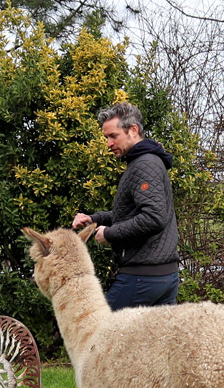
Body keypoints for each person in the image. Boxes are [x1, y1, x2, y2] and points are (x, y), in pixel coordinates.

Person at [72, 102, 180, 309]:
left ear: (133, 130)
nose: (109, 143)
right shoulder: (144, 162)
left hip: (142, 278)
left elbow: (153, 217)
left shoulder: (145, 164)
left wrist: (110, 234)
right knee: (151, 341)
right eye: (106, 138)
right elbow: (132, 213)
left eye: (113, 136)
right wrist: (95, 219)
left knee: (98, 335)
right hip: (162, 277)